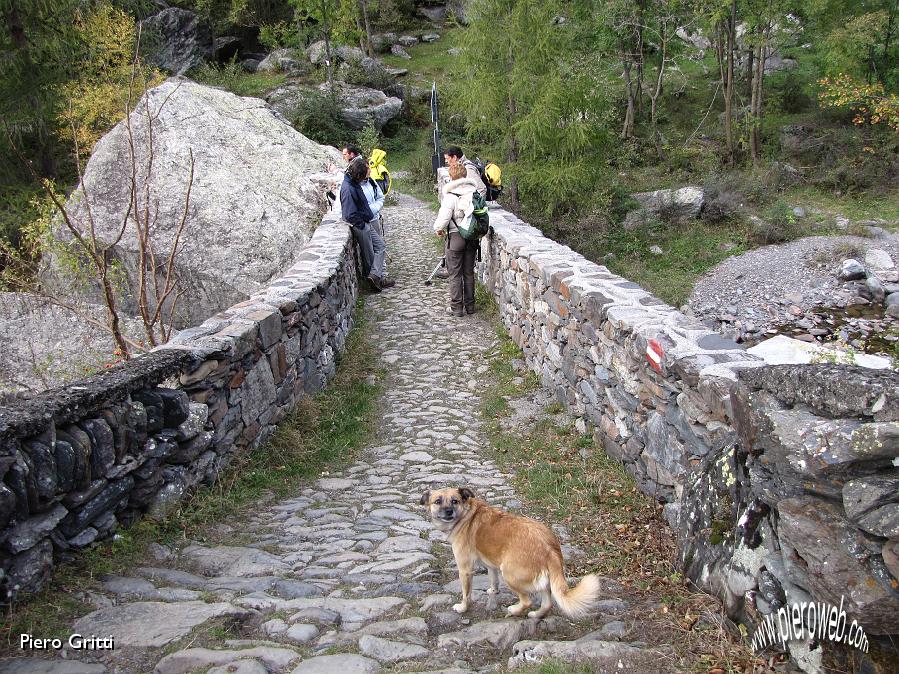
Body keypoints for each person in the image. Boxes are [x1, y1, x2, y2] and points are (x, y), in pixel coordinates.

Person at [340, 157, 394, 291]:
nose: (366, 178)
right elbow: (349, 214)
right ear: (358, 175)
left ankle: (375, 275)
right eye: (364, 176)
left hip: (365, 221)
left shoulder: (352, 183)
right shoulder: (348, 188)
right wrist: (363, 225)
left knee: (380, 246)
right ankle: (375, 282)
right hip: (361, 225)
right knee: (370, 253)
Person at [433, 163, 478, 316]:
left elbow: (443, 220)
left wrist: (438, 230)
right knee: (469, 273)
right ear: (465, 176)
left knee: (455, 274)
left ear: (451, 177)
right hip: (472, 238)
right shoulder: (475, 193)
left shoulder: (451, 196)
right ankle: (470, 306)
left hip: (456, 238)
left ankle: (457, 308)